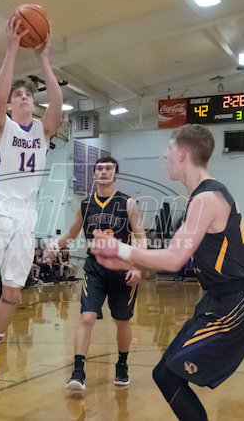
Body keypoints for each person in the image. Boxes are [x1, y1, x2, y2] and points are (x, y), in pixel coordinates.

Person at [91, 124, 244, 421]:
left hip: (235, 303)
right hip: (220, 300)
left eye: (169, 150)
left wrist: (120, 249)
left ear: (183, 154)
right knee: (164, 374)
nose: (165, 156)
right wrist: (126, 262)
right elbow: (174, 256)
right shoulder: (202, 197)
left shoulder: (206, 199)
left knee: (169, 376)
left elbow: (173, 259)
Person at [0, 19, 63, 388]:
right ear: (8, 105)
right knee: (2, 229)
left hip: (28, 214)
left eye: (28, 96)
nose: (23, 98)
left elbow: (58, 104)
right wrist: (11, 49)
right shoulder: (1, 128)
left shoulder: (42, 131)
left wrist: (44, 59)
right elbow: (0, 92)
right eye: (18, 95)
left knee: (14, 294)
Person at [44, 157, 147, 390]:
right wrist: (56, 245)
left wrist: (137, 266)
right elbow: (71, 233)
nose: (103, 172)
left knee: (122, 321)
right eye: (99, 168)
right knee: (87, 317)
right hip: (95, 269)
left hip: (122, 269)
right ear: (94, 174)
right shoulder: (86, 204)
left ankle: (122, 364)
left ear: (115, 174)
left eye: (109, 168)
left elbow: (141, 237)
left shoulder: (128, 203)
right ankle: (78, 371)